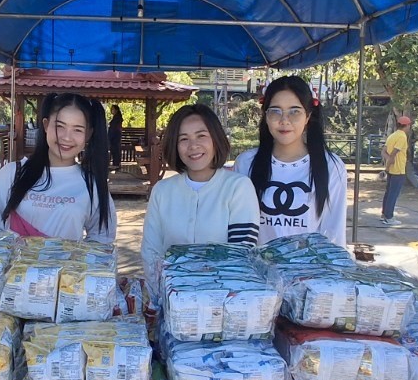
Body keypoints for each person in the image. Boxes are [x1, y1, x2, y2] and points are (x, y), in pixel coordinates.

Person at [0, 92, 116, 243]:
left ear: (88, 134)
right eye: (60, 126)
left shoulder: (92, 185)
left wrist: (75, 257)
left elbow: (103, 238)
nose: (67, 137)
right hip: (11, 259)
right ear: (46, 125)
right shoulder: (13, 173)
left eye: (77, 129)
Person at [141, 104, 259, 285]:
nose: (193, 146)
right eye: (183, 139)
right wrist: (162, 292)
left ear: (216, 138)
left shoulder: (238, 187)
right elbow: (151, 251)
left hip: (222, 293)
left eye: (201, 135)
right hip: (170, 293)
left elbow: (241, 254)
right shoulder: (162, 191)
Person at [234, 75, 348, 247]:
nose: (284, 120)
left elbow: (334, 234)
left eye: (295, 111)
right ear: (265, 115)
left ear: (308, 117)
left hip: (310, 264)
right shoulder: (245, 163)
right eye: (275, 111)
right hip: (257, 264)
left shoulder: (331, 166)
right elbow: (239, 231)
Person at [380, 115, 411, 226]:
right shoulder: (402, 137)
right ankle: (389, 217)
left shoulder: (392, 136)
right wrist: (389, 164)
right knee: (393, 194)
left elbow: (383, 151)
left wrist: (388, 163)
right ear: (407, 125)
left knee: (388, 193)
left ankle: (384, 214)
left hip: (391, 170)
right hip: (398, 169)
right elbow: (394, 153)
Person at [107, 104, 124, 172]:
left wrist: (110, 137)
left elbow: (114, 128)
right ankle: (116, 163)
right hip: (115, 136)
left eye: (113, 109)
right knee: (115, 150)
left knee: (115, 150)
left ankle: (116, 164)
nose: (111, 110)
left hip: (115, 136)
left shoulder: (117, 118)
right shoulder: (116, 117)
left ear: (116, 110)